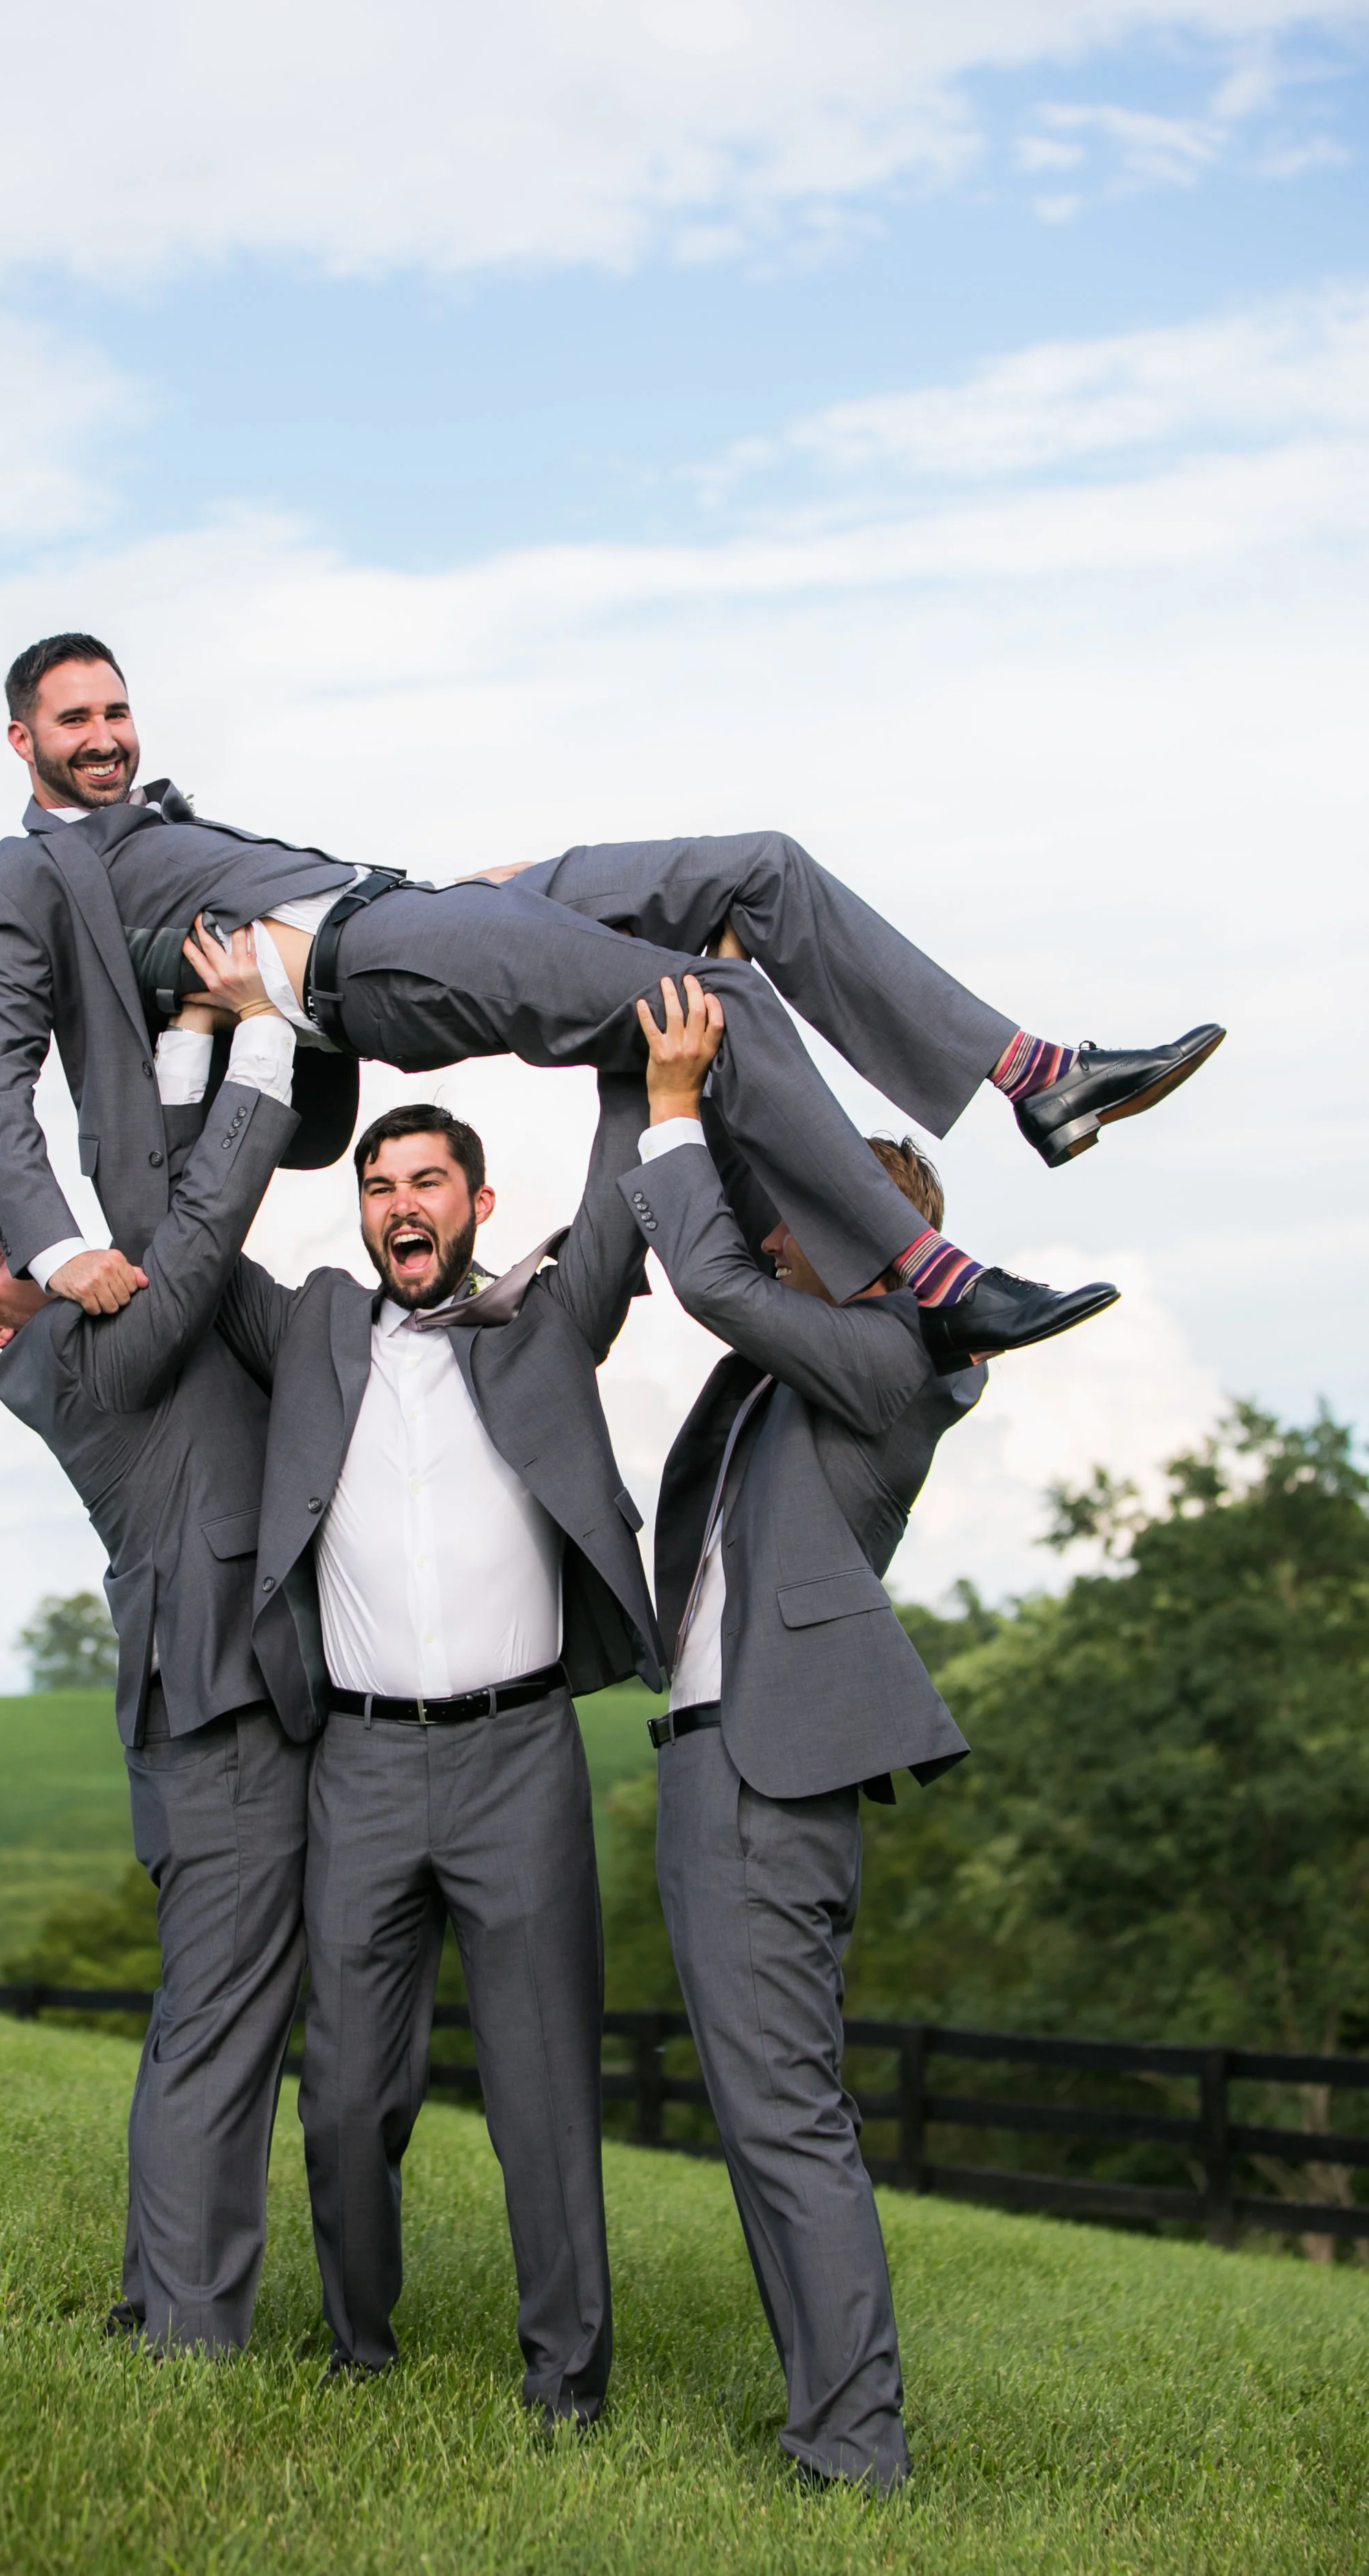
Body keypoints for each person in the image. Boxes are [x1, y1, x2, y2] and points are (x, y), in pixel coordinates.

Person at [0, 633, 1220, 1370]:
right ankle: (923, 1274)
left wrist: (470, 895)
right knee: (707, 995)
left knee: (756, 867)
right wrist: (61, 1243)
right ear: (24, 740)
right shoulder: (18, 881)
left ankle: (1036, 1074)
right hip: (378, 965)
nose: (107, 734)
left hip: (426, 902)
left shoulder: (161, 815)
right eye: (76, 720)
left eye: (118, 708)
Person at [210, 1067, 659, 2425]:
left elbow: (620, 1199)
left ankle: (566, 2387)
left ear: (474, 1205)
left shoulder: (543, 1322)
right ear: (357, 1211)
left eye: (425, 1184)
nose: (400, 1205)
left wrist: (649, 1068)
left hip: (517, 1760)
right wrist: (215, 1060)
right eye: (377, 1185)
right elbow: (185, 1220)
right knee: (343, 2093)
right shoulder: (303, 1333)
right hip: (354, 1768)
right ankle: (359, 2352)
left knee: (540, 2095)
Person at [616, 971, 992, 2492]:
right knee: (761, 2118)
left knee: (787, 2122)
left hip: (768, 1782)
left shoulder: (884, 1361)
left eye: (792, 1210)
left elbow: (711, 1277)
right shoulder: (801, 1373)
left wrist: (667, 1112)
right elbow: (721, 1294)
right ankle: (830, 2424)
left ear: (849, 1238)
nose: (768, 1229)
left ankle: (853, 2451)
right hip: (715, 1767)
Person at [0, 926, 312, 2356]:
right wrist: (258, 1029)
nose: (20, 1239)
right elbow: (192, 1242)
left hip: (217, 1708)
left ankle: (161, 2304)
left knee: (201, 2023)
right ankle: (189, 2336)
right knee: (218, 2030)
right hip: (216, 1716)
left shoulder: (83, 1313)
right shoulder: (71, 1361)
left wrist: (184, 1037)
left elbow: (140, 1217)